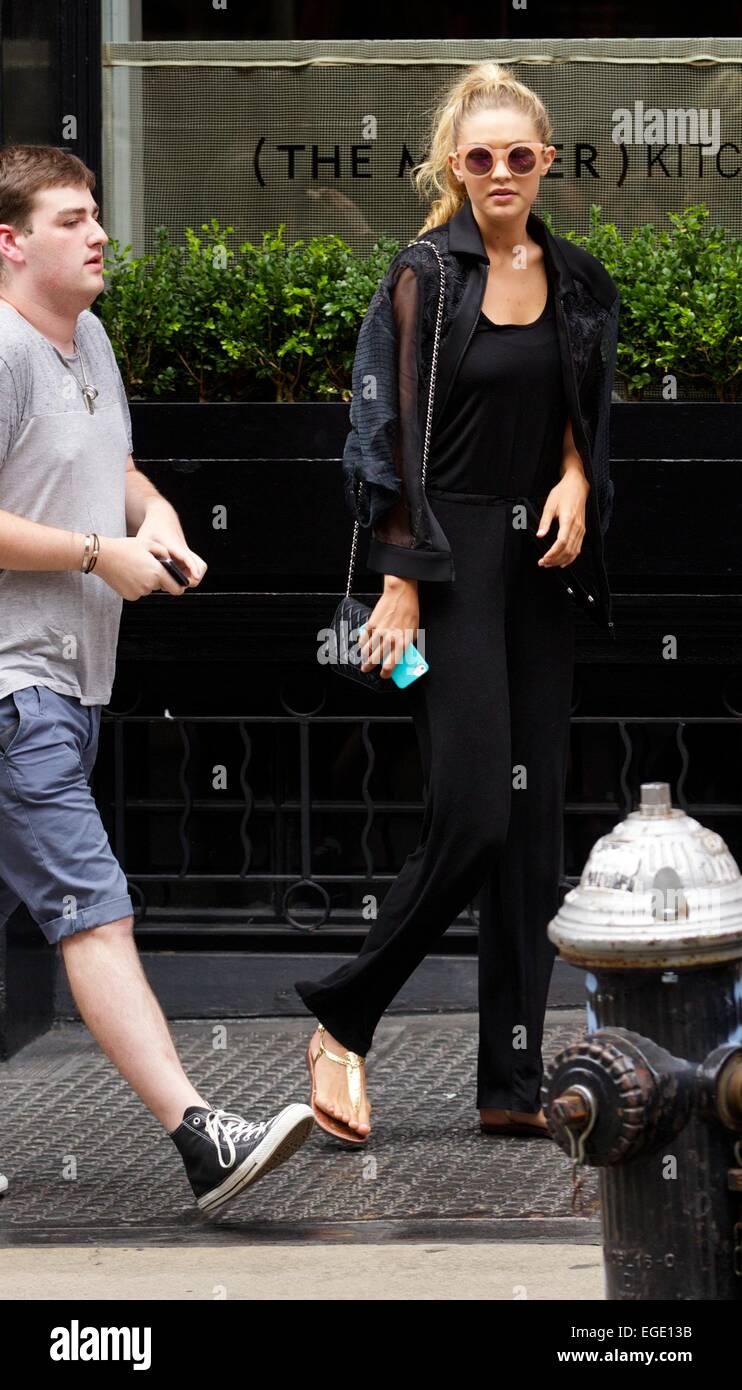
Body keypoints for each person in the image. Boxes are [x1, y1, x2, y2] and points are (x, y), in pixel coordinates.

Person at [296, 63, 620, 1144]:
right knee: (476, 808)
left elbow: (580, 407)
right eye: (477, 157)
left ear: (546, 163)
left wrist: (576, 476)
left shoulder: (578, 281)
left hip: (538, 561)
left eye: (517, 156)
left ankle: (511, 1081)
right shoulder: (423, 276)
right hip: (447, 558)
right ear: (449, 165)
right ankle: (344, 1016)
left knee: (531, 833)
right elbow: (384, 434)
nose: (498, 173)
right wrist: (399, 580)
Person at [0, 143, 314, 1214]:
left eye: (97, 215)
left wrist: (153, 514)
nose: (98, 234)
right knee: (95, 911)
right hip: (14, 689)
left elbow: (110, 467)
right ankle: (201, 1136)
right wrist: (97, 555)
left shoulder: (84, 337)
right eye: (71, 218)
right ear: (10, 241)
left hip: (74, 685)